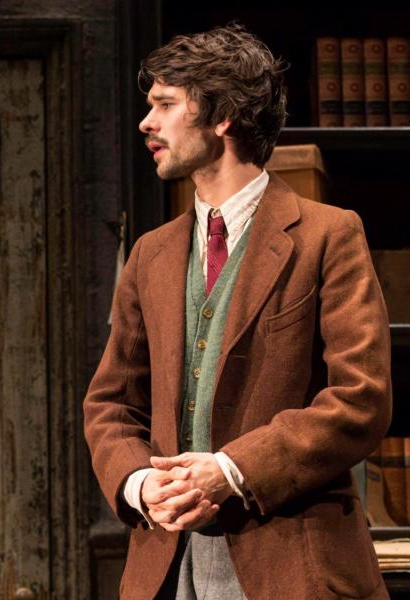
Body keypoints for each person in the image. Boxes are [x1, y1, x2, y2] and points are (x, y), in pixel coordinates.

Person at [83, 25, 391, 599]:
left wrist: (230, 470)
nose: (147, 123)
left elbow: (362, 397)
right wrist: (140, 482)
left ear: (222, 116)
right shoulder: (152, 253)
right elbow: (111, 402)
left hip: (291, 560)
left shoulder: (328, 236)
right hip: (166, 565)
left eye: (166, 104)